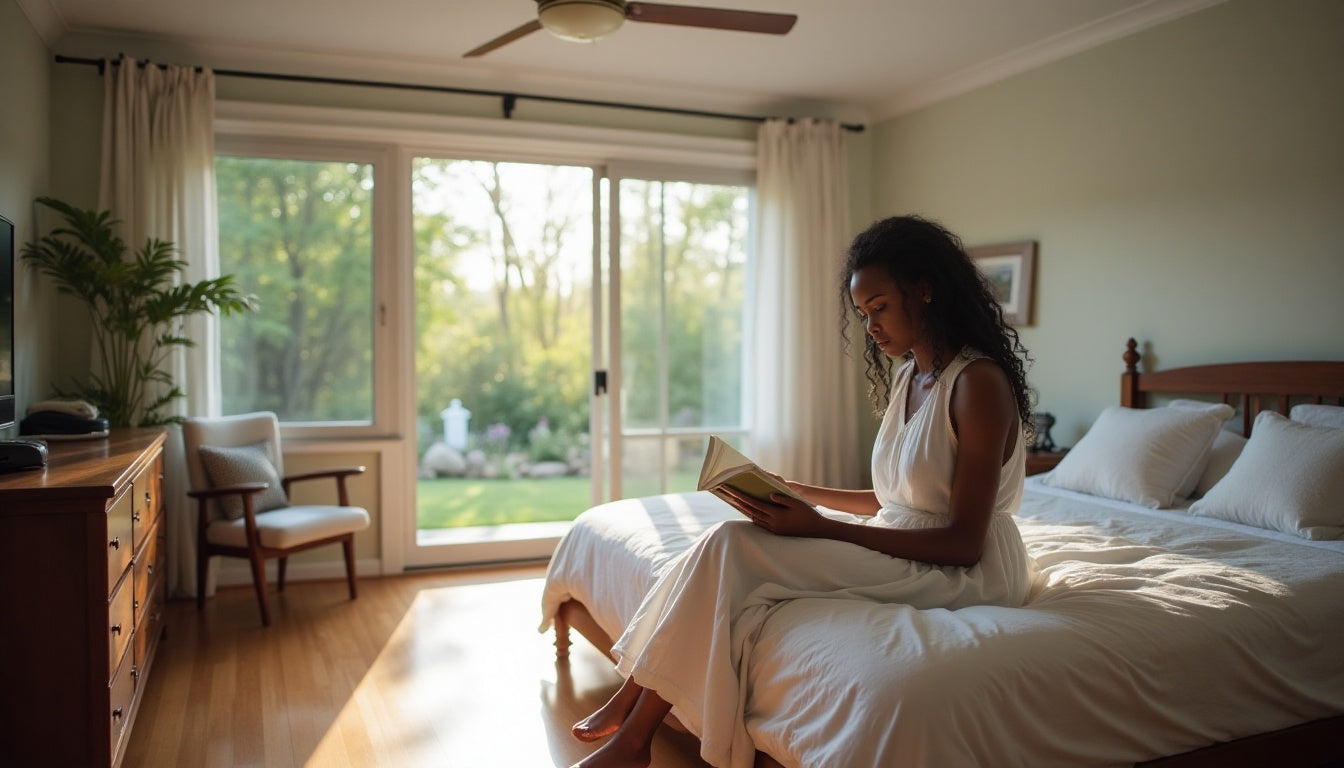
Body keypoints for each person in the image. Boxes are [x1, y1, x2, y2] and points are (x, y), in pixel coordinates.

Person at [569, 215, 1037, 768]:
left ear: (926, 290)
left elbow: (962, 542)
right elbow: (900, 501)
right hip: (914, 545)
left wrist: (818, 525)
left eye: (880, 307)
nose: (871, 328)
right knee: (727, 554)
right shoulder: (911, 375)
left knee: (731, 548)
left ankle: (634, 729)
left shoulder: (978, 384)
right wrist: (794, 491)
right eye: (864, 314)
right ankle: (635, 724)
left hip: (968, 574)